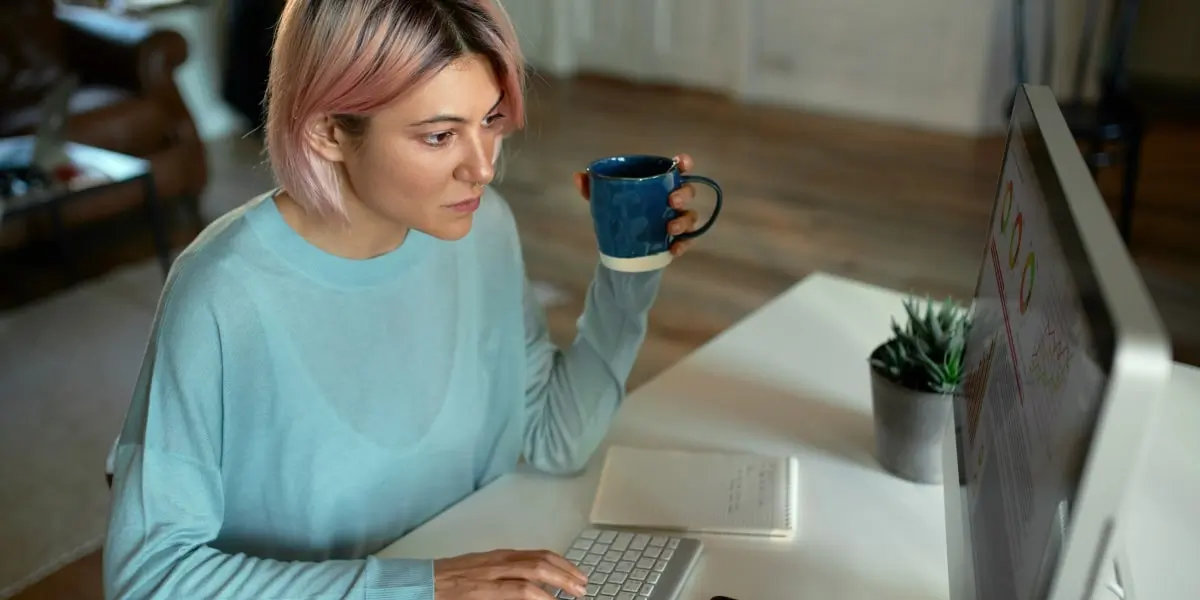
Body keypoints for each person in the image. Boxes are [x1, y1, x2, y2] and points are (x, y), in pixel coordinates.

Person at [101, 1, 706, 599]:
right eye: (440, 135)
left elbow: (555, 439)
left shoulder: (483, 229)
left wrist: (631, 267)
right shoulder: (222, 290)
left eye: (490, 121)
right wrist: (423, 586)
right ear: (329, 131)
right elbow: (148, 577)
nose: (483, 168)